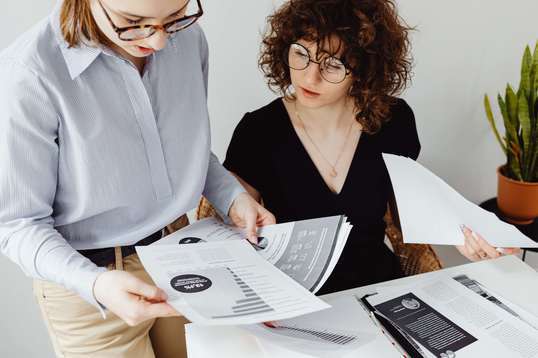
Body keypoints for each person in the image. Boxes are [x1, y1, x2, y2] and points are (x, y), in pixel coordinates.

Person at [0, 0, 274, 357]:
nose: (158, 41)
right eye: (133, 22)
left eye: (173, 18)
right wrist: (95, 284)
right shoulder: (28, 74)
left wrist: (232, 196)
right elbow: (18, 225)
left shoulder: (189, 40)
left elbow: (183, 150)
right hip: (89, 284)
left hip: (183, 253)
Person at [223, 0, 519, 295]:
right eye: (301, 53)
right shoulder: (259, 131)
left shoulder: (393, 122)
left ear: (364, 69)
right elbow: (232, 231)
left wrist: (466, 236)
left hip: (379, 291)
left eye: (333, 64)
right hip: (294, 298)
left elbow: (410, 211)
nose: (309, 76)